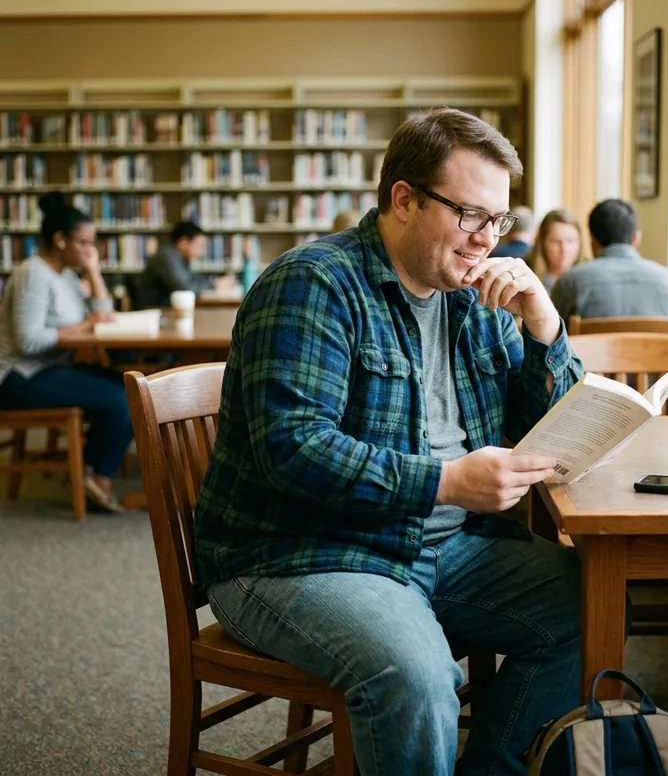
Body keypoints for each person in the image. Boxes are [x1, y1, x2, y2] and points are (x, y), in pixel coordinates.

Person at [195, 108, 585, 776]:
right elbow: (292, 449)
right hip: (301, 554)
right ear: (402, 198)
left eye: (499, 221)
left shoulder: (477, 296)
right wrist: (447, 483)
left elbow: (549, 427)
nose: (486, 240)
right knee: (416, 676)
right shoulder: (313, 284)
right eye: (469, 215)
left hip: (444, 547)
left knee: (591, 602)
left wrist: (545, 327)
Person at [0, 191, 133, 512]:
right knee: (122, 400)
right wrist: (86, 325)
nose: (91, 250)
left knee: (131, 387)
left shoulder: (67, 276)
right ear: (60, 240)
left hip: (52, 368)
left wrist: (94, 272)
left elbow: (104, 313)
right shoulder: (34, 273)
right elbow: (28, 342)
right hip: (20, 376)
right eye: (85, 243)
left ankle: (89, 470)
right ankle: (95, 476)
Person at [550, 198, 668, 322]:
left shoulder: (570, 283)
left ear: (592, 241)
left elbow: (547, 339)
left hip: (593, 353)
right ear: (637, 238)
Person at [135, 220, 236, 308]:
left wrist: (214, 281)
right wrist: (215, 284)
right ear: (183, 242)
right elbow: (185, 288)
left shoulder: (180, 258)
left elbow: (194, 279)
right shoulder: (166, 257)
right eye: (199, 245)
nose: (202, 251)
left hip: (168, 310)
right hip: (157, 312)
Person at [530, 208, 585, 293]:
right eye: (555, 242)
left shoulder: (589, 278)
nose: (564, 249)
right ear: (542, 243)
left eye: (570, 241)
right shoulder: (528, 276)